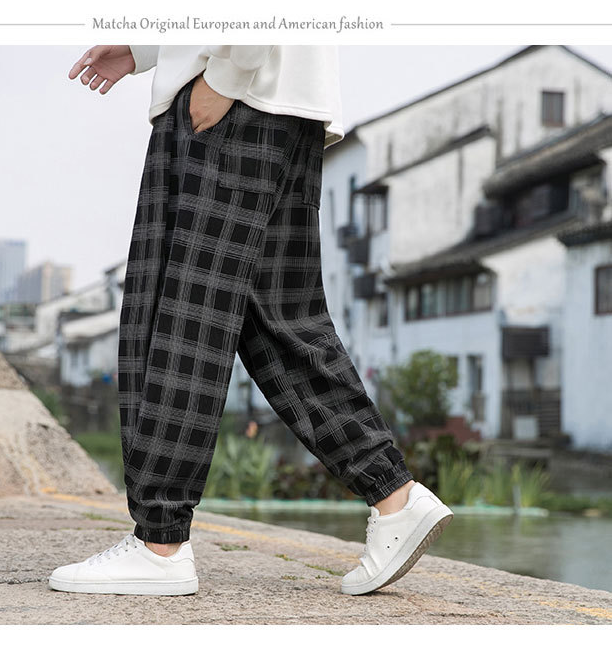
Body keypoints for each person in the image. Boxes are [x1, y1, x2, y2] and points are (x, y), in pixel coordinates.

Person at [49, 45, 453, 597]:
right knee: (277, 321)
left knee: (181, 321)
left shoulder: (227, 82)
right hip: (282, 102)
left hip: (234, 95)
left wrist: (227, 74)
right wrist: (148, 48)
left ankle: (159, 544)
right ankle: (394, 496)